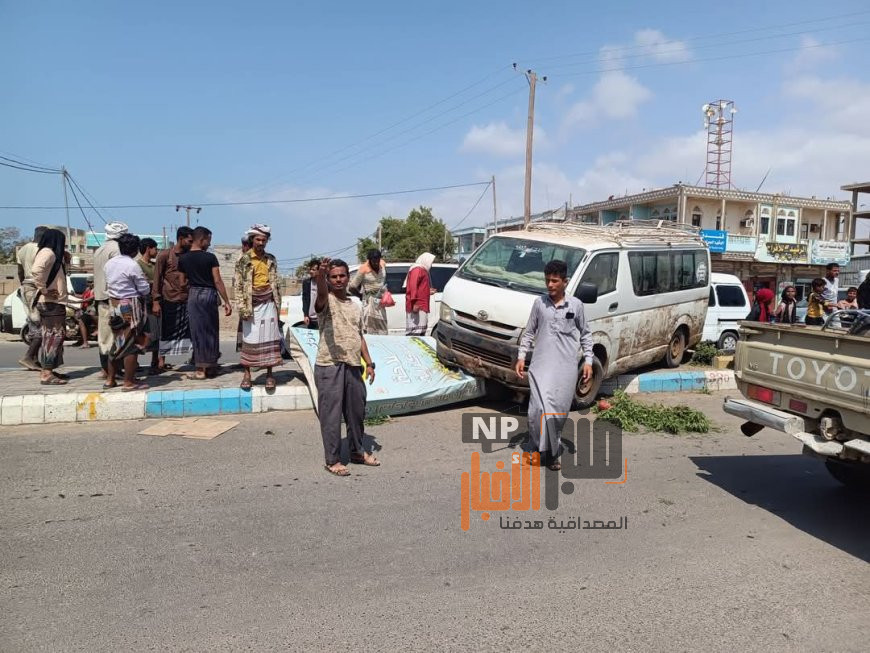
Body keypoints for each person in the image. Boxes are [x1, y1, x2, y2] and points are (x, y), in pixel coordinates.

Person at [514, 259, 593, 471]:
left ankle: (550, 452)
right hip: (541, 366)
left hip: (565, 369)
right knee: (537, 410)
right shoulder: (539, 304)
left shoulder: (576, 306)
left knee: (556, 411)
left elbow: (586, 335)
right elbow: (530, 331)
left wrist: (588, 361)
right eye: (547, 280)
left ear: (565, 282)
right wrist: (522, 357)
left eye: (555, 281)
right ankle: (540, 448)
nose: (550, 285)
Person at [314, 257, 379, 476]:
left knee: (356, 412)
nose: (338, 280)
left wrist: (369, 363)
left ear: (348, 277)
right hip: (329, 365)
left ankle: (356, 451)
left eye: (342, 275)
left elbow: (358, 335)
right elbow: (321, 296)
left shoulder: (355, 304)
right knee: (331, 416)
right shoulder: (326, 301)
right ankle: (332, 460)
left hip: (353, 365)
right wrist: (321, 277)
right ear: (329, 279)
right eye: (333, 277)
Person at [177, 226, 231, 379]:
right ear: (202, 239)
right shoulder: (210, 258)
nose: (209, 244)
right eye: (208, 240)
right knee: (212, 331)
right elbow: (218, 280)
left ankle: (200, 370)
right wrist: (227, 301)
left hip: (194, 295)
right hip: (209, 295)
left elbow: (181, 283)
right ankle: (212, 367)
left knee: (197, 332)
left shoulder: (183, 259)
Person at [233, 224, 283, 390]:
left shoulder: (271, 259)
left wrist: (278, 305)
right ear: (252, 240)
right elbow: (238, 286)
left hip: (269, 301)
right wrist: (242, 307)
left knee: (269, 338)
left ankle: (269, 375)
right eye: (258, 239)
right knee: (250, 339)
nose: (261, 243)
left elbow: (276, 283)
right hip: (250, 304)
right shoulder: (243, 260)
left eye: (264, 240)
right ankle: (247, 375)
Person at [105, 233, 151, 391]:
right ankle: (128, 382)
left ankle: (110, 379)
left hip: (114, 303)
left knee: (117, 343)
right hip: (130, 305)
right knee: (130, 345)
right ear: (135, 249)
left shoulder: (110, 263)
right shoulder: (132, 265)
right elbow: (144, 289)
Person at [30, 229, 70, 385]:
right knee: (54, 337)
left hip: (52, 302)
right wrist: (44, 289)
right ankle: (46, 373)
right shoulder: (49, 253)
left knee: (53, 336)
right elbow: (36, 271)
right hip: (50, 303)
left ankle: (49, 370)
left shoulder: (51, 254)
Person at [153, 226, 194, 371]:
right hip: (169, 299)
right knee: (165, 331)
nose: (191, 243)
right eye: (189, 240)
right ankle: (159, 362)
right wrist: (156, 301)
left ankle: (195, 358)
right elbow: (157, 278)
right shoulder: (164, 255)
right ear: (181, 239)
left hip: (188, 299)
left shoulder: (190, 256)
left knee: (192, 330)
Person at [93, 222, 129, 377]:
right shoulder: (117, 250)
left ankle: (105, 369)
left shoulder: (99, 249)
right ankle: (114, 370)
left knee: (104, 336)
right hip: (114, 298)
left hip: (100, 297)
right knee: (118, 335)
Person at [16, 226, 48, 370]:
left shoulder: (22, 250)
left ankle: (34, 360)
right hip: (36, 287)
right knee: (42, 325)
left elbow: (20, 271)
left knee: (34, 323)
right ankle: (28, 357)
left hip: (26, 287)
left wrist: (23, 284)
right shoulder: (42, 250)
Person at [348, 249, 388, 335]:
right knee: (369, 328)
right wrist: (360, 296)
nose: (376, 263)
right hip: (369, 301)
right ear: (369, 260)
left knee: (382, 327)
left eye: (377, 260)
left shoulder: (383, 264)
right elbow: (352, 287)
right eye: (373, 261)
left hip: (381, 301)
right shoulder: (363, 269)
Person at [404, 252, 436, 336]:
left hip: (421, 305)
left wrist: (427, 291)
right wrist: (415, 303)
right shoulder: (417, 269)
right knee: (415, 332)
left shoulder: (422, 270)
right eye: (430, 262)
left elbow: (420, 287)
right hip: (417, 306)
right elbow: (413, 286)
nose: (431, 265)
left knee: (420, 332)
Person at [300, 258, 321, 329]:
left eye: (313, 270)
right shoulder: (307, 283)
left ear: (319, 271)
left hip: (321, 319)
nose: (311, 271)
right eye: (310, 269)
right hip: (311, 319)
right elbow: (305, 299)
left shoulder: (324, 283)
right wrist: (305, 315)